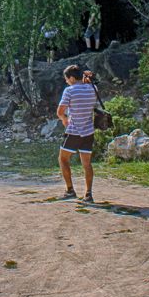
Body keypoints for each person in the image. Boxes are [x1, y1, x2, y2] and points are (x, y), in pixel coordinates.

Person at [56, 64, 98, 202]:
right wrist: (88, 79)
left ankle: (70, 190)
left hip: (74, 130)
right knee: (86, 163)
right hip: (88, 131)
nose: (66, 81)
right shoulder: (93, 89)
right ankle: (88, 193)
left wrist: (64, 119)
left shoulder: (69, 91)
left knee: (63, 159)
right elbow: (90, 85)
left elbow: (60, 112)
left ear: (72, 78)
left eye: (67, 79)